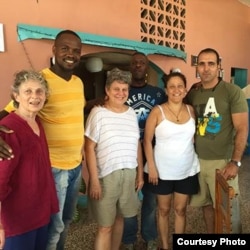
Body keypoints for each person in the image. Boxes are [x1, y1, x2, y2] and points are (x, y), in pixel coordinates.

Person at [0, 30, 86, 249]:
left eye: (76, 50)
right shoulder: (39, 83)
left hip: (76, 165)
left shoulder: (78, 82)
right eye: (65, 48)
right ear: (54, 50)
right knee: (54, 226)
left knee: (66, 221)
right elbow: (8, 113)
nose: (71, 54)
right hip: (55, 167)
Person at [186, 48, 249, 233]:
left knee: (230, 209)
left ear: (218, 66)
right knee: (207, 206)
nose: (206, 68)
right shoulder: (193, 92)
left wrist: (235, 162)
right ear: (197, 67)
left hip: (222, 162)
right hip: (197, 161)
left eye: (211, 63)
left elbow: (242, 128)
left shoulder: (232, 91)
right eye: (202, 63)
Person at [84, 68, 144, 250]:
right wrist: (94, 180)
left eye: (124, 89)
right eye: (116, 89)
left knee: (120, 219)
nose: (121, 93)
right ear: (108, 91)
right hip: (106, 177)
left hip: (129, 174)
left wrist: (140, 173)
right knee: (105, 227)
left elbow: (137, 144)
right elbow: (89, 147)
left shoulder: (131, 113)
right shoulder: (98, 113)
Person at [0, 70, 59, 250]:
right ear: (16, 96)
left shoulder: (37, 122)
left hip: (39, 212)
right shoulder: (8, 130)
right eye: (28, 91)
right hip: (17, 220)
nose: (35, 96)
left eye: (39, 91)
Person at [143, 72, 200, 250]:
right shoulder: (157, 111)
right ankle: (165, 245)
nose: (176, 89)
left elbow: (194, 137)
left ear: (185, 90)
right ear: (166, 90)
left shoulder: (191, 110)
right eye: (172, 86)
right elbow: (146, 140)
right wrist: (151, 167)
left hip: (186, 169)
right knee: (163, 210)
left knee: (181, 210)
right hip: (161, 171)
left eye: (180, 86)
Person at [122, 52, 167, 250]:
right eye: (135, 63)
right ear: (130, 67)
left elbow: (176, 105)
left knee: (151, 199)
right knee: (129, 200)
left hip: (153, 154)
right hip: (128, 154)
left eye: (142, 63)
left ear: (146, 67)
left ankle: (149, 236)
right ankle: (129, 239)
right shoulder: (122, 92)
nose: (138, 65)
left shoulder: (159, 93)